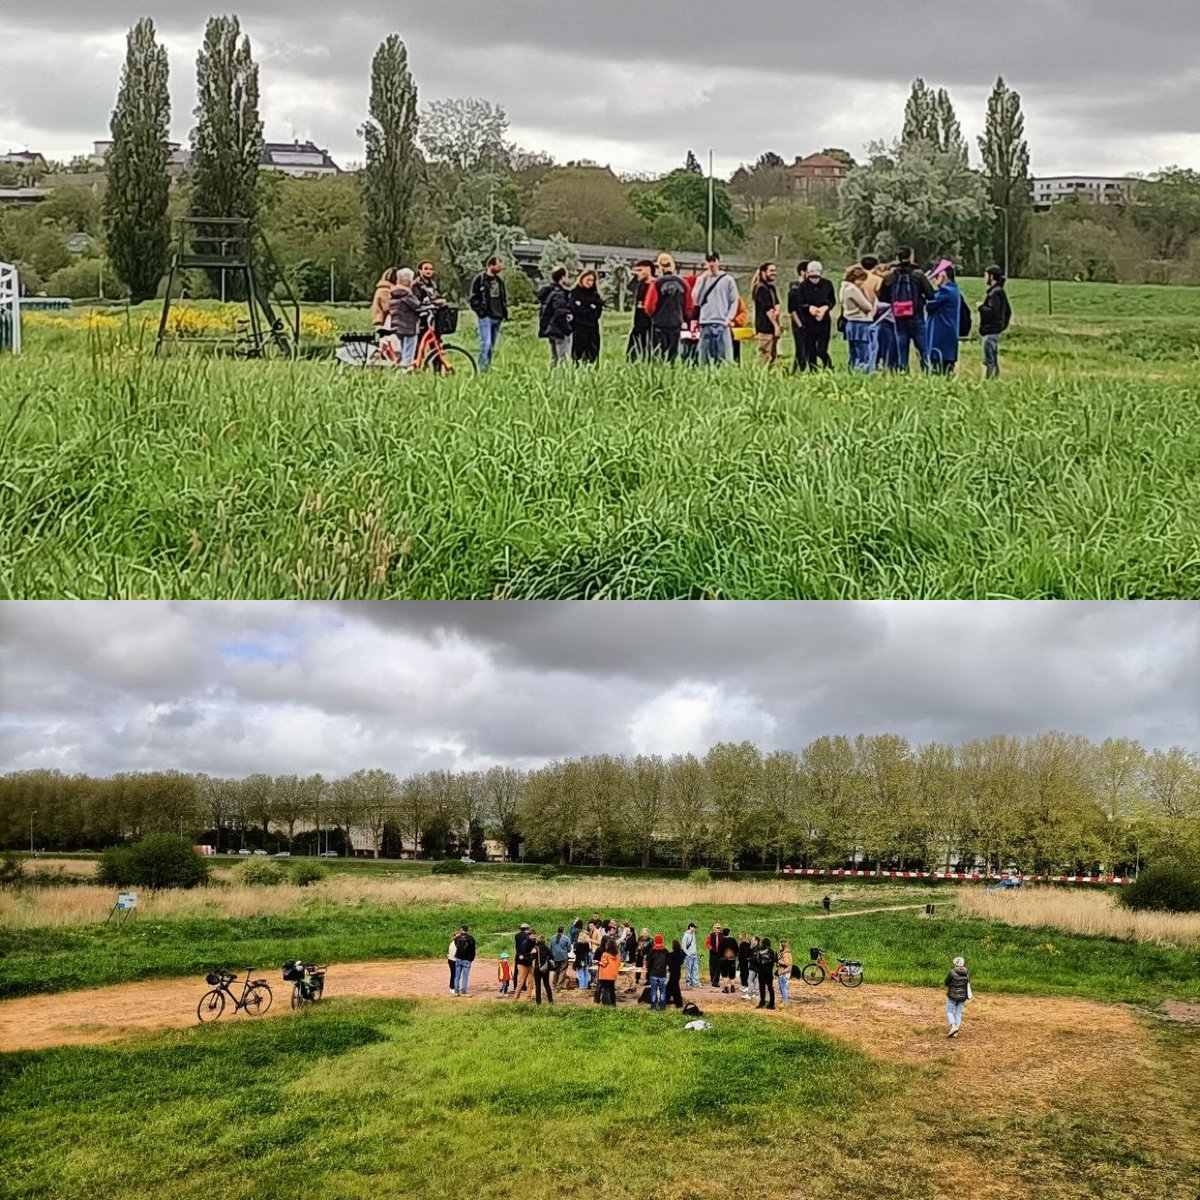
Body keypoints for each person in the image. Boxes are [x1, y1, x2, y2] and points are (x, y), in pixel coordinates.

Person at [879, 247, 935, 372]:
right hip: (917, 316)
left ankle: (903, 373)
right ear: (911, 257)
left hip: (899, 317)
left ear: (897, 258)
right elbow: (931, 295)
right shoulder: (918, 274)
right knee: (923, 349)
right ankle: (927, 373)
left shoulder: (890, 276)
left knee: (902, 350)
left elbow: (883, 298)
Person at [692, 252, 738, 365]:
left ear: (719, 262)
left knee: (724, 357)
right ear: (705, 264)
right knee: (704, 358)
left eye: (714, 261)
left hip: (722, 322)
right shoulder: (701, 279)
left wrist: (728, 318)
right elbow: (696, 300)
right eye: (709, 261)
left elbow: (734, 300)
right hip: (706, 322)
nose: (712, 264)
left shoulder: (727, 279)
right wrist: (702, 281)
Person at [469, 255, 508, 371]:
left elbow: (503, 298)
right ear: (491, 265)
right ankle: (481, 368)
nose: (500, 267)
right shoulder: (480, 279)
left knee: (491, 346)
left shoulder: (499, 281)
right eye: (498, 264)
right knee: (485, 343)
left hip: (498, 315)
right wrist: (480, 311)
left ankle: (488, 367)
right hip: (486, 316)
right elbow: (473, 298)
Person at [647, 252, 688, 361]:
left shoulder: (657, 283)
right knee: (672, 355)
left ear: (659, 266)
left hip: (660, 324)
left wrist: (653, 315)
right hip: (676, 323)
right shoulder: (683, 283)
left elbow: (649, 306)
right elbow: (689, 305)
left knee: (658, 355)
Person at [925, 261, 964, 375]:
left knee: (938, 370)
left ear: (943, 275)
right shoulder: (954, 290)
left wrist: (925, 285)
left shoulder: (945, 291)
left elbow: (928, 304)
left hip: (940, 338)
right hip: (947, 338)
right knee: (946, 370)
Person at [796, 261, 836, 370]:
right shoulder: (802, 286)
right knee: (811, 348)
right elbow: (800, 302)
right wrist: (809, 308)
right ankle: (813, 369)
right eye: (812, 276)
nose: (814, 279)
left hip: (824, 321)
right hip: (809, 321)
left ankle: (828, 365)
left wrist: (825, 308)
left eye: (817, 276)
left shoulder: (827, 284)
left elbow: (832, 300)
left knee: (822, 349)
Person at [841, 265, 876, 373]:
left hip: (851, 323)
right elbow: (867, 306)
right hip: (860, 322)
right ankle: (864, 371)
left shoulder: (843, 288)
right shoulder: (852, 289)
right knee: (863, 351)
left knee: (853, 352)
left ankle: (852, 370)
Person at [979, 264, 1013, 379]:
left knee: (989, 359)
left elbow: (993, 312)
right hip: (995, 330)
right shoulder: (999, 291)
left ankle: (991, 379)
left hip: (991, 331)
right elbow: (1008, 311)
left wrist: (981, 307)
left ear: (991, 277)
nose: (984, 278)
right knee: (991, 357)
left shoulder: (995, 293)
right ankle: (993, 378)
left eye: (986, 275)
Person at [537, 265, 573, 367]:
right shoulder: (559, 294)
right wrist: (567, 329)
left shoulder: (549, 292)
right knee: (564, 358)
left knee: (554, 357)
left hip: (550, 328)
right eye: (566, 276)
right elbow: (560, 312)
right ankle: (562, 380)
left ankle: (552, 378)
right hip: (559, 329)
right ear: (562, 277)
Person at [388, 268, 422, 367]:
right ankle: (405, 370)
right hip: (408, 326)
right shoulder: (406, 294)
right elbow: (417, 305)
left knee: (403, 350)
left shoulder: (394, 293)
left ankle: (401, 369)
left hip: (397, 325)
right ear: (407, 281)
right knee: (409, 353)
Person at [570, 269, 604, 364]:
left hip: (592, 329)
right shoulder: (575, 293)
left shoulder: (595, 295)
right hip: (578, 328)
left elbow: (597, 313)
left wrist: (584, 307)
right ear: (582, 279)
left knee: (592, 355)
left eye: (592, 280)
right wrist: (589, 308)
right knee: (577, 355)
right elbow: (575, 309)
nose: (590, 282)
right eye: (588, 280)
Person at [752, 262, 781, 365]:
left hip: (772, 328)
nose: (774, 273)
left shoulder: (771, 288)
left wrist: (777, 309)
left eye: (775, 270)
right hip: (765, 328)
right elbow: (768, 309)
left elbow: (777, 303)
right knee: (764, 355)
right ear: (764, 272)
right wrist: (776, 326)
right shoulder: (761, 288)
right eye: (771, 271)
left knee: (773, 356)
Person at [627, 260, 656, 361]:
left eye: (640, 270)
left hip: (651, 325)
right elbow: (629, 287)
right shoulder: (640, 285)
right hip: (638, 324)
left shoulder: (656, 285)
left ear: (648, 269)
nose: (637, 273)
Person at [787, 261, 810, 371]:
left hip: (810, 323)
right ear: (802, 272)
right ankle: (798, 370)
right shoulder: (795, 289)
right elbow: (792, 310)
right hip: (800, 324)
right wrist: (800, 325)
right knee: (801, 349)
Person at [945, 955, 972, 1037]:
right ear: (963, 964)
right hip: (963, 996)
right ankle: (956, 1032)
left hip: (952, 995)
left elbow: (946, 983)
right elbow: (968, 983)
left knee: (949, 1010)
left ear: (955, 964)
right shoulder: (967, 973)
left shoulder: (952, 972)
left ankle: (953, 1026)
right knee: (958, 1013)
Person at [646, 934, 670, 1011]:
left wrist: (649, 971)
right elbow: (668, 962)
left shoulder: (652, 951)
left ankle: (653, 1006)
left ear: (655, 941)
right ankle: (662, 1007)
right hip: (662, 974)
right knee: (663, 991)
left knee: (653, 991)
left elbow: (648, 963)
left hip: (653, 974)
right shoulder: (665, 951)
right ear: (662, 941)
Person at [371, 267, 397, 336]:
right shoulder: (385, 291)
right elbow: (387, 307)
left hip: (382, 322)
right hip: (384, 323)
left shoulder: (382, 289)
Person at [513, 922, 534, 999]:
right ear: (527, 929)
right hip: (526, 956)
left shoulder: (517, 935)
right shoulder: (528, 937)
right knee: (526, 973)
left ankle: (515, 986)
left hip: (518, 954)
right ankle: (524, 987)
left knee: (517, 971)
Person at [453, 924, 476, 996]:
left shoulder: (457, 938)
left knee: (457, 976)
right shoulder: (471, 938)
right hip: (467, 959)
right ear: (467, 929)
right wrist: (471, 959)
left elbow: (456, 945)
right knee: (465, 976)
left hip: (458, 958)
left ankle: (456, 991)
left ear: (461, 929)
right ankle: (463, 991)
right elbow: (473, 950)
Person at [597, 936, 620, 1006]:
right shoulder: (618, 955)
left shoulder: (605, 954)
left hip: (605, 975)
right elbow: (619, 964)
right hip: (613, 975)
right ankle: (613, 1003)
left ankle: (607, 1004)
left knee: (605, 990)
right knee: (612, 990)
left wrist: (598, 962)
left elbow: (604, 963)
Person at [532, 934, 554, 1005]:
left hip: (538, 968)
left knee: (538, 985)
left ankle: (538, 1002)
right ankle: (550, 1000)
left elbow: (532, 957)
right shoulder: (546, 948)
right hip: (545, 968)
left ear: (537, 940)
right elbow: (552, 956)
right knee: (547, 984)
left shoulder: (536, 948)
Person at [756, 937, 778, 1010]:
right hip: (769, 972)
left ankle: (762, 1002)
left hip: (761, 972)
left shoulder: (760, 951)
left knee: (762, 988)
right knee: (770, 988)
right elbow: (776, 960)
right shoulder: (773, 951)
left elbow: (758, 961)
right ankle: (772, 1004)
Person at [718, 927, 739, 994]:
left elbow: (719, 951)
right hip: (732, 960)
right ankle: (732, 988)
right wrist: (734, 956)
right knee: (732, 974)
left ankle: (726, 988)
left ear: (723, 933)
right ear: (729, 933)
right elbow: (737, 949)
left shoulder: (721, 941)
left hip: (723, 960)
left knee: (724, 974)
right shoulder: (733, 940)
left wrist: (721, 957)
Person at [667, 938, 686, 1008]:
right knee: (670, 986)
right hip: (678, 972)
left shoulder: (672, 954)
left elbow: (669, 962)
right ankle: (666, 999)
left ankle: (679, 1003)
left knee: (675, 988)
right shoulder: (681, 953)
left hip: (673, 972)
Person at [681, 921, 700, 989]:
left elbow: (694, 944)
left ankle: (695, 982)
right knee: (689, 969)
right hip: (689, 955)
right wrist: (688, 954)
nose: (695, 928)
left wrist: (695, 952)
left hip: (694, 954)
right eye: (694, 927)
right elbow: (683, 946)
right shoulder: (685, 935)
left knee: (695, 969)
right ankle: (688, 982)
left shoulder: (693, 934)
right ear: (690, 927)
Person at [574, 925, 593, 991]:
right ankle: (585, 986)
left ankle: (582, 987)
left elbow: (576, 952)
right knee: (585, 973)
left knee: (580, 973)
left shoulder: (578, 944)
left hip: (580, 961)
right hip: (586, 960)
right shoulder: (587, 944)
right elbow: (588, 951)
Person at [776, 940, 793, 1005]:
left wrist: (779, 961)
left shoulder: (785, 954)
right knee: (782, 987)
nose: (779, 946)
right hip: (784, 973)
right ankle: (784, 1000)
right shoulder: (785, 953)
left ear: (783, 946)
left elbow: (786, 963)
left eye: (780, 945)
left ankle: (784, 1002)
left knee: (783, 987)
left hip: (784, 973)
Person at [707, 922, 722, 989]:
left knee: (718, 968)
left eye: (719, 928)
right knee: (712, 968)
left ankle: (716, 982)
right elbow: (707, 943)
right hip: (712, 953)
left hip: (719, 954)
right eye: (717, 928)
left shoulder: (722, 935)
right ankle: (713, 980)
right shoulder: (710, 935)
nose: (718, 929)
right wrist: (711, 948)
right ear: (714, 928)